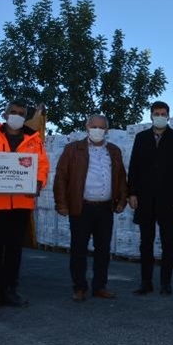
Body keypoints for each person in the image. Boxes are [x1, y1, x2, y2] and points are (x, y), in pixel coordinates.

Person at [0, 99, 49, 312]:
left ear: (25, 117)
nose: (16, 115)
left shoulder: (34, 141)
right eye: (13, 111)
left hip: (21, 203)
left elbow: (42, 166)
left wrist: (39, 183)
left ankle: (10, 290)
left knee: (14, 250)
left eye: (21, 113)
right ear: (5, 114)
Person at [53, 114, 128, 302]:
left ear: (107, 131)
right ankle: (79, 288)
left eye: (101, 127)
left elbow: (120, 178)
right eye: (93, 126)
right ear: (87, 127)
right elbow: (61, 177)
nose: (97, 130)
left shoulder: (114, 151)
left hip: (105, 209)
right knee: (79, 249)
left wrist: (121, 201)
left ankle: (100, 286)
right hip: (81, 208)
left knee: (103, 250)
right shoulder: (73, 149)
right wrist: (61, 203)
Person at [127, 101, 173, 296]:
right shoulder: (141, 138)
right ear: (151, 116)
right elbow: (134, 167)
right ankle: (146, 282)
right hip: (144, 198)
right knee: (146, 242)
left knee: (168, 242)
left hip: (169, 199)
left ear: (168, 116)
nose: (160, 116)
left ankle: (165, 283)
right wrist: (132, 193)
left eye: (163, 113)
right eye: (156, 113)